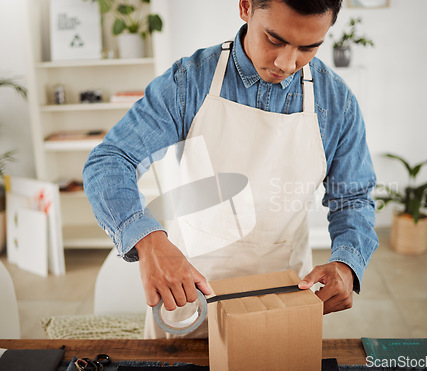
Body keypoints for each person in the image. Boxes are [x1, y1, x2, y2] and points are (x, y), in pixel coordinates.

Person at [83, 0, 379, 339]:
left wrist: (347, 263)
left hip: (284, 299)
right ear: (246, 7)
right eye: (274, 39)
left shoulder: (337, 102)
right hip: (188, 300)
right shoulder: (188, 82)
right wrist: (148, 241)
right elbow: (110, 159)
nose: (286, 62)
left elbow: (353, 196)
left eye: (308, 48)